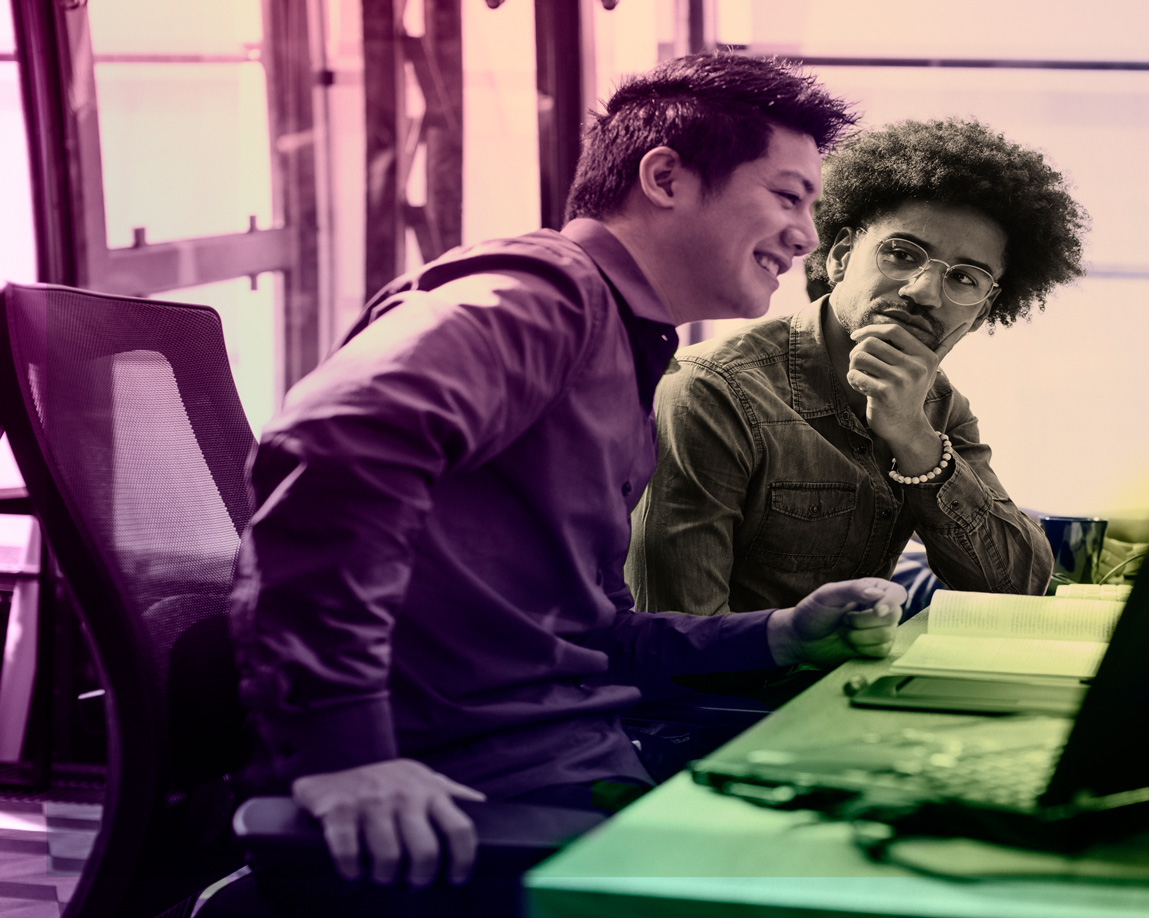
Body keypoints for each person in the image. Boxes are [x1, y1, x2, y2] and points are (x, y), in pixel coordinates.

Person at [227, 54, 903, 892]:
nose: (806, 236)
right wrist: (345, 750)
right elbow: (340, 438)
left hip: (563, 761)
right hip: (487, 791)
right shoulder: (538, 297)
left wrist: (780, 634)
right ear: (665, 177)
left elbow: (592, 636)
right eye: (787, 196)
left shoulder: (620, 342)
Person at [627, 118, 1088, 626]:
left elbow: (1018, 588)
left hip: (849, 682)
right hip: (739, 704)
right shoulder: (713, 388)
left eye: (963, 278)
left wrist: (913, 436)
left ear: (982, 309)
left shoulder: (934, 404)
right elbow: (675, 633)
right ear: (843, 256)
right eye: (901, 254)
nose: (924, 292)